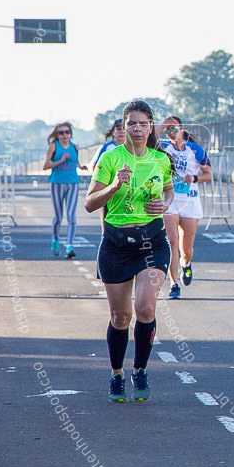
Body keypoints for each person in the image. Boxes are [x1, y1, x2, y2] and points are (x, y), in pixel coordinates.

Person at [84, 100, 174, 403]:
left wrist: (165, 205)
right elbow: (89, 203)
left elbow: (169, 191)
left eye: (143, 123)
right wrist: (112, 187)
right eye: (131, 124)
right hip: (116, 244)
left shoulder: (160, 159)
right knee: (120, 317)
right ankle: (117, 374)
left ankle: (140, 369)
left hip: (152, 241)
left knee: (145, 308)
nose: (137, 129)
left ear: (151, 127)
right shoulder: (111, 159)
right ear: (123, 128)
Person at [157, 116, 212, 300]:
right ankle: (173, 284)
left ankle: (186, 265)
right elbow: (147, 138)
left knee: (186, 249)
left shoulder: (195, 149)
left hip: (190, 201)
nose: (171, 133)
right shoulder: (164, 147)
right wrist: (162, 125)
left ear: (182, 128)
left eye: (174, 129)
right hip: (170, 200)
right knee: (172, 242)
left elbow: (208, 174)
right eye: (168, 130)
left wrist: (194, 178)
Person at [43, 122, 89, 258]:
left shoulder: (75, 147)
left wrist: (81, 167)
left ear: (70, 134)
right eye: (61, 133)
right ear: (57, 135)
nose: (65, 135)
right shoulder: (54, 147)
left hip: (73, 183)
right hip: (57, 183)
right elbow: (45, 166)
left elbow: (75, 162)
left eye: (67, 132)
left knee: (71, 217)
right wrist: (61, 160)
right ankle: (55, 240)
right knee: (58, 217)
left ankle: (70, 246)